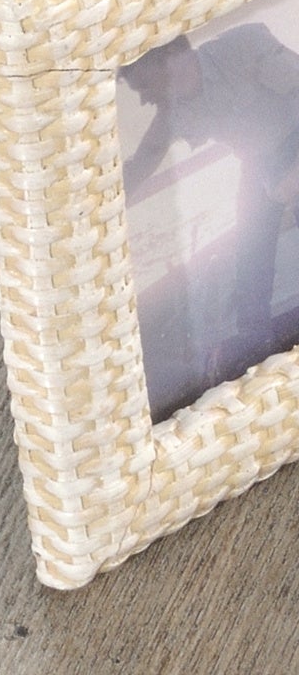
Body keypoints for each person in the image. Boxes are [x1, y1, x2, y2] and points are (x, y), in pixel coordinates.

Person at [122, 23, 299, 403]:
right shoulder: (173, 115)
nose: (142, 100)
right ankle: (257, 350)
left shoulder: (245, 45)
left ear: (167, 58)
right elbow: (141, 163)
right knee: (251, 251)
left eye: (142, 86)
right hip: (260, 165)